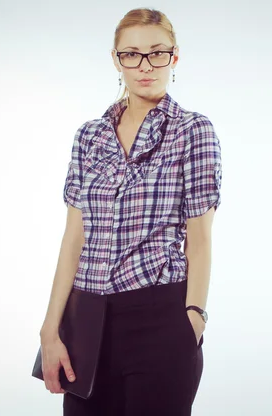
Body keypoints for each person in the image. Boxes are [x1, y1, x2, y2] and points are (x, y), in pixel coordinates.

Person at [39, 7, 222, 416]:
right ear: (116, 59)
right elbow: (73, 240)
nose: (145, 65)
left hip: (159, 317)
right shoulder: (90, 136)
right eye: (132, 54)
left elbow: (200, 239)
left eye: (157, 53)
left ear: (174, 58)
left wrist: (193, 319)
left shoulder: (193, 131)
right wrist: (50, 329)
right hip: (86, 321)